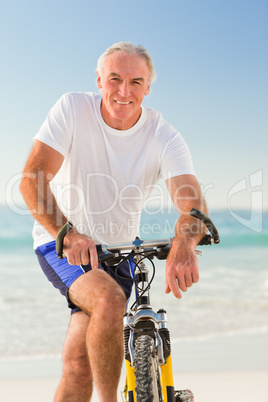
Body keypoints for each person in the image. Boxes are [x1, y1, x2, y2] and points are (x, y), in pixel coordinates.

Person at [20, 41, 208, 402]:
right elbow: (32, 178)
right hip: (61, 241)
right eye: (115, 79)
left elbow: (193, 203)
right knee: (108, 300)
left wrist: (185, 243)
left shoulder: (163, 134)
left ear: (148, 88)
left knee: (78, 363)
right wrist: (67, 232)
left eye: (136, 82)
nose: (124, 91)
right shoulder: (73, 108)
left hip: (121, 250)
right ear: (99, 79)